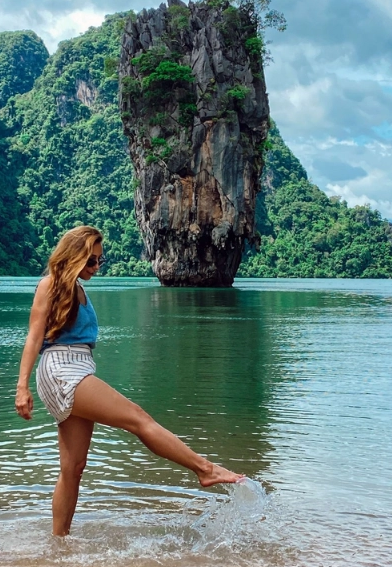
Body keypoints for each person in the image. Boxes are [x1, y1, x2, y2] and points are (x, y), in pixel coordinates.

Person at [15, 225, 243, 536]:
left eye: (99, 261)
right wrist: (22, 387)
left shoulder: (78, 289)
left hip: (77, 366)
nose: (96, 267)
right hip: (62, 369)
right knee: (137, 418)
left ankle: (59, 545)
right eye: (91, 261)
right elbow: (34, 336)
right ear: (74, 257)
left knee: (73, 469)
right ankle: (205, 469)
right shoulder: (51, 285)